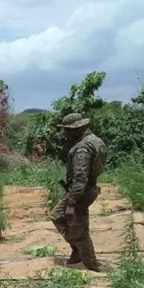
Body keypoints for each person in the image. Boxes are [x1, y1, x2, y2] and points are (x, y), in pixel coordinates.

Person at [50, 112, 108, 272]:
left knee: (77, 226)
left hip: (80, 192)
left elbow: (80, 176)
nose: (65, 133)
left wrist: (72, 199)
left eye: (67, 130)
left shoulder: (82, 147)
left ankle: (91, 264)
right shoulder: (95, 140)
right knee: (62, 217)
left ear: (76, 129)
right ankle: (77, 250)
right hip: (87, 190)